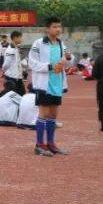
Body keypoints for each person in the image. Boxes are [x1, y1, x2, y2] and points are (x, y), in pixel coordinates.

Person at [27, 17, 74, 157]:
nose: (58, 29)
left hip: (57, 84)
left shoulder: (61, 44)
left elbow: (69, 64)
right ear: (47, 29)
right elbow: (31, 62)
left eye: (59, 26)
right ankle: (39, 145)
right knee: (44, 113)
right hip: (43, 84)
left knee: (53, 114)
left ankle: (51, 144)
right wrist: (49, 66)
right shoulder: (39, 43)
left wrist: (70, 59)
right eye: (54, 27)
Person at [0, 31, 25, 96]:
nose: (21, 39)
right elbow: (7, 63)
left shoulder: (16, 48)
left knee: (21, 94)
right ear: (15, 38)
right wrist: (3, 70)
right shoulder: (10, 49)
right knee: (12, 96)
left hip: (18, 77)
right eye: (20, 38)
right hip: (12, 77)